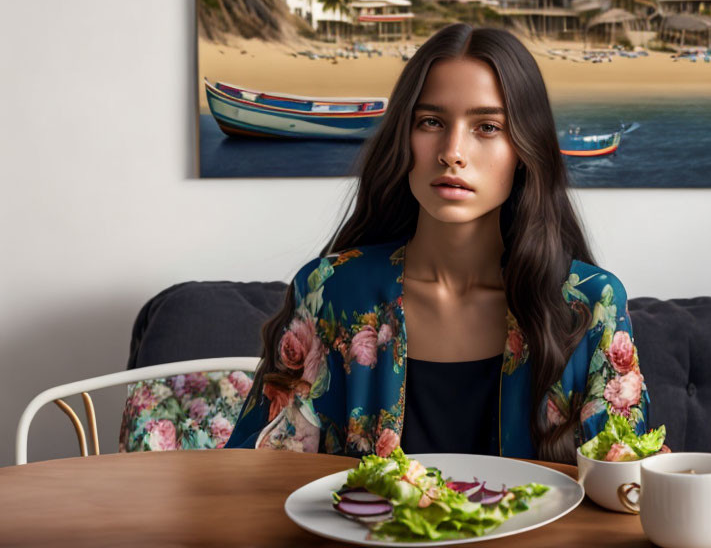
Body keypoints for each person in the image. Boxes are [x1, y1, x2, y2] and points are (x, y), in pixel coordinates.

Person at [225, 23, 656, 464]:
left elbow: (627, 487)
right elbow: (257, 475)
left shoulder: (589, 302)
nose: (452, 151)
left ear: (525, 151)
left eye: (487, 127)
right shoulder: (330, 290)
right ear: (403, 139)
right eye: (431, 122)